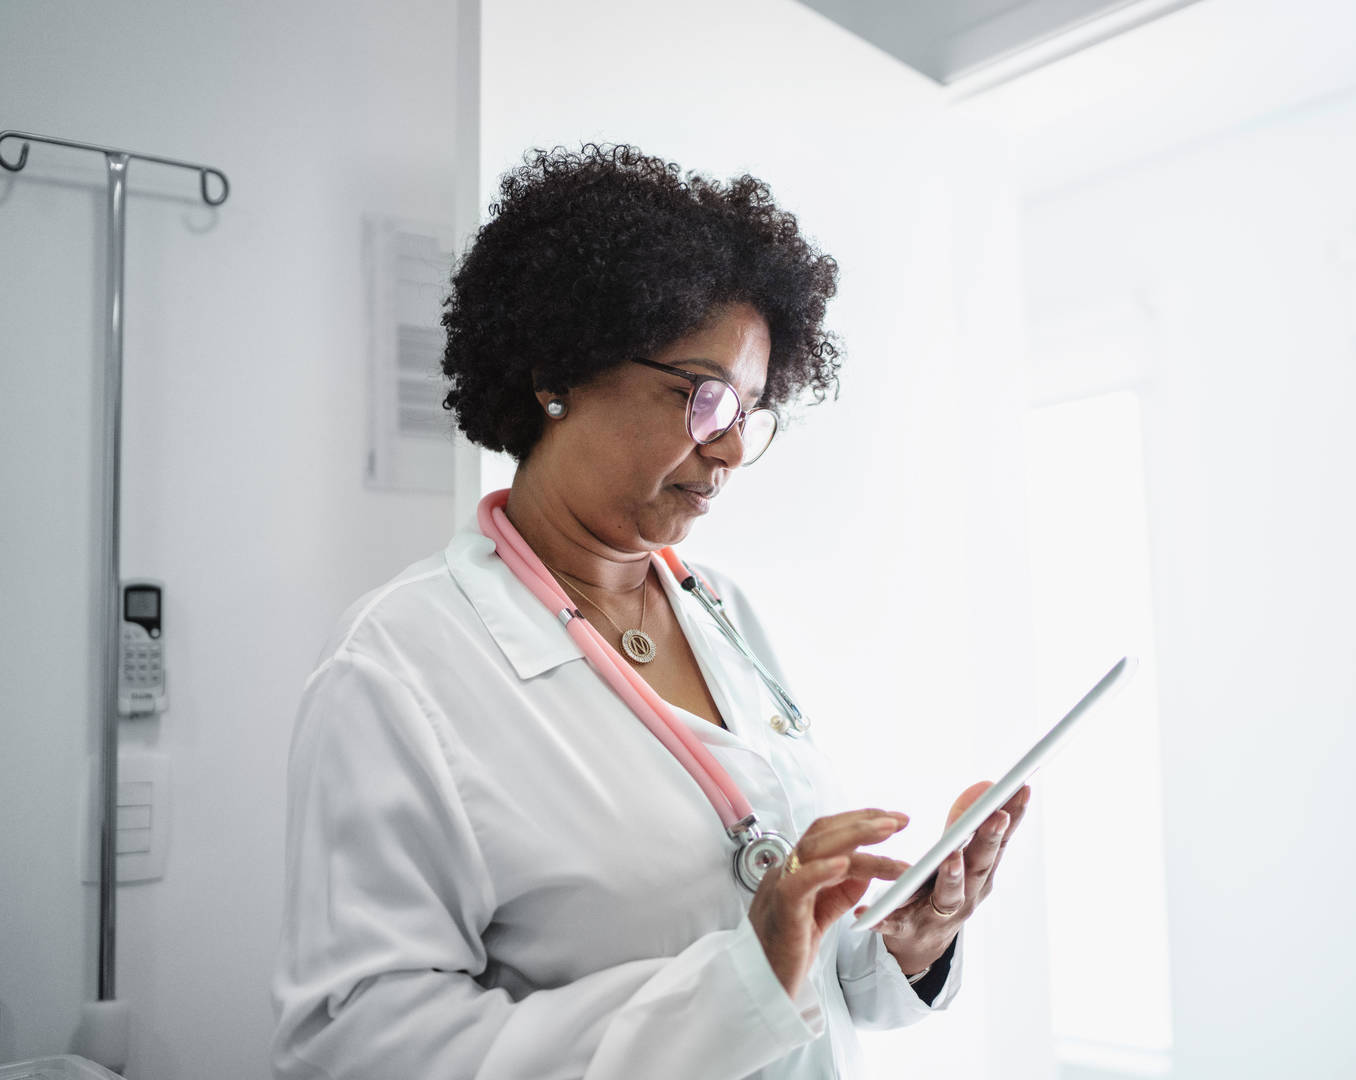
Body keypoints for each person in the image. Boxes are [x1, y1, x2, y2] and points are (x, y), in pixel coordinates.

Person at [270, 142, 1029, 1080]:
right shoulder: (399, 667)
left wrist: (900, 942)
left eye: (749, 411)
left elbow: (805, 982)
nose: (731, 450)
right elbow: (358, 1048)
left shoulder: (723, 613)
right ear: (558, 375)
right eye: (700, 398)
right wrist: (736, 984)